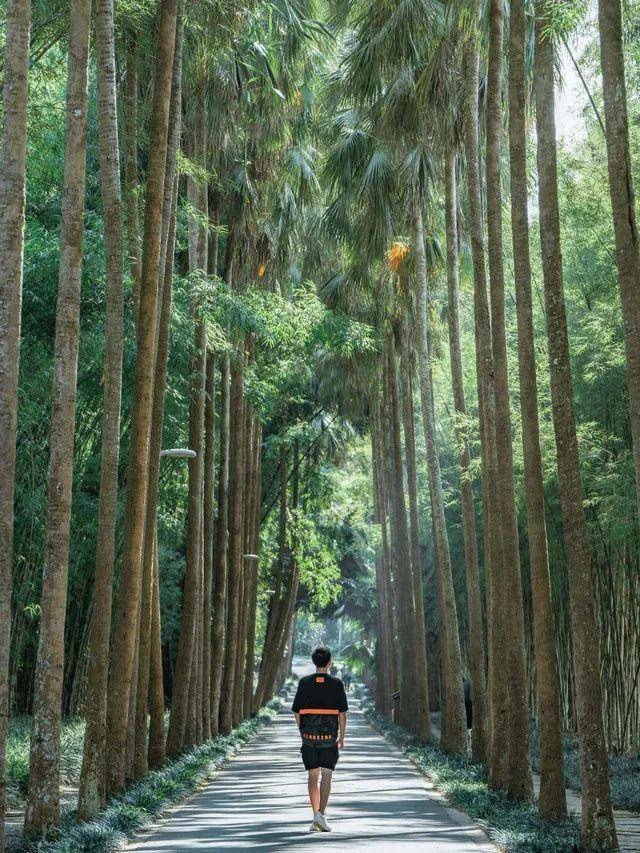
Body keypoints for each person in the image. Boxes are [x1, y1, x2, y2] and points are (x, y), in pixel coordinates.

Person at [292, 646, 348, 833]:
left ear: (314, 661)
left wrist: (302, 731)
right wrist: (342, 736)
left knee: (312, 775)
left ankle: (315, 814)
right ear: (329, 662)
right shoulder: (337, 684)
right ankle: (320, 815)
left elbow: (297, 712)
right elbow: (342, 714)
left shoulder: (304, 683)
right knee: (327, 775)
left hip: (309, 738)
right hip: (329, 738)